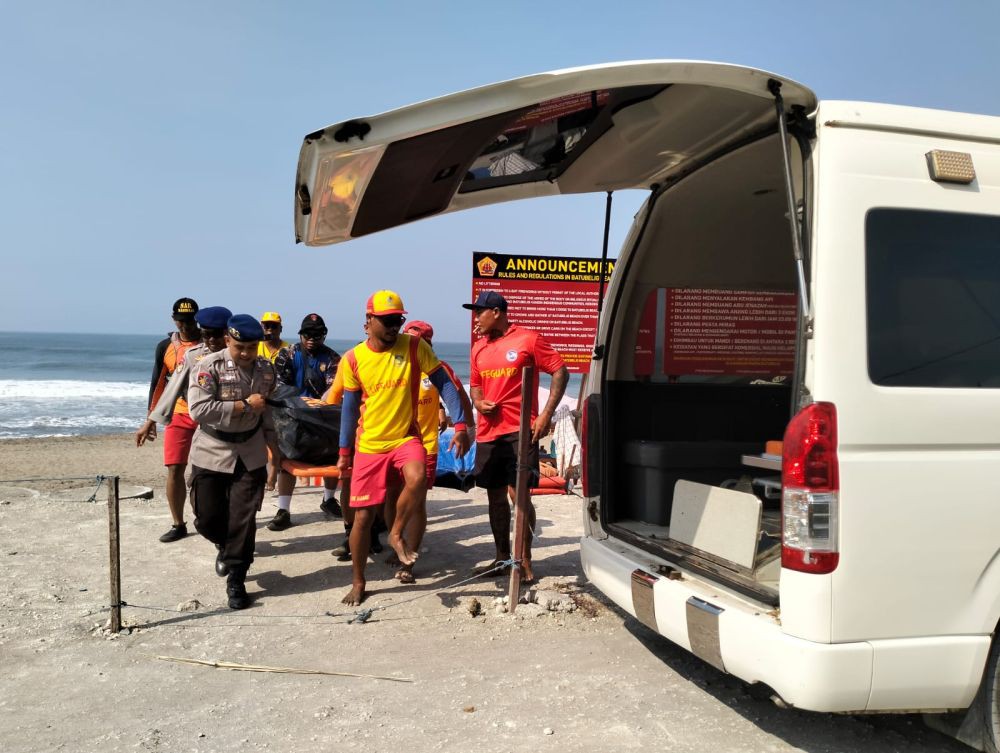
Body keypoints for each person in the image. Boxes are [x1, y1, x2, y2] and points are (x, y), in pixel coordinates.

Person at [336, 290, 470, 605]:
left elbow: (446, 384)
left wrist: (461, 425)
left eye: (398, 319)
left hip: (404, 438)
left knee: (418, 477)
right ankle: (358, 581)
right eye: (386, 320)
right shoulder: (354, 358)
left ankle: (396, 533)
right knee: (363, 519)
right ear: (368, 321)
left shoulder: (413, 347)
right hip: (369, 445)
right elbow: (349, 409)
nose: (393, 325)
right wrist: (344, 452)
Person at [463, 290, 569, 583]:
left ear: (496, 312)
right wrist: (479, 401)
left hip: (520, 430)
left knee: (518, 494)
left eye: (479, 312)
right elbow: (475, 386)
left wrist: (546, 415)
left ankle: (524, 560)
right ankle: (501, 558)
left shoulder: (528, 339)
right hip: (488, 433)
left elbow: (560, 372)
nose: (476, 319)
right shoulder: (477, 349)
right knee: (494, 496)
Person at [186, 314, 277, 610]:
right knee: (207, 518)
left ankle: (236, 577)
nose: (247, 353)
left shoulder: (266, 371)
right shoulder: (207, 367)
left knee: (244, 517)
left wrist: (275, 453)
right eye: (241, 347)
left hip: (250, 451)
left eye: (252, 347)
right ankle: (225, 545)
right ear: (228, 340)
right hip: (212, 449)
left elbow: (268, 414)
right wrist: (242, 405)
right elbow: (199, 410)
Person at [387, 319, 473, 583]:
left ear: (426, 342)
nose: (410, 342)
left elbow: (460, 397)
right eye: (407, 336)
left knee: (416, 502)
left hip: (425, 445)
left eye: (416, 338)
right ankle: (396, 541)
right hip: (391, 442)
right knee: (390, 497)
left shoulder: (437, 368)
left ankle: (409, 562)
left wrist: (466, 430)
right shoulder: (393, 364)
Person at [268, 313, 342, 530]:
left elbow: (334, 388)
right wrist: (301, 404)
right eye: (307, 334)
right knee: (287, 462)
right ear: (301, 334)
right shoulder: (287, 354)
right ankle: (283, 510)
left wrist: (319, 404)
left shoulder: (333, 358)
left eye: (317, 334)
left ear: (324, 335)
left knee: (331, 456)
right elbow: (280, 386)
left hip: (322, 416)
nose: (312, 338)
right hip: (292, 416)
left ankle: (329, 499)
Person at [138, 297, 201, 543]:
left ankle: (208, 517)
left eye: (190, 320)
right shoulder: (165, 346)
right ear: (174, 319)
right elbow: (157, 384)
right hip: (177, 413)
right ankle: (178, 523)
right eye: (181, 321)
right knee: (175, 468)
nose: (185, 326)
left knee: (204, 471)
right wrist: (150, 419)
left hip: (206, 415)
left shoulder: (210, 343)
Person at [136, 306, 232, 430]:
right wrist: (151, 420)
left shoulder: (241, 355)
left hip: (229, 419)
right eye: (206, 335)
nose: (212, 339)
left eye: (217, 334)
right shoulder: (192, 355)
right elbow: (169, 386)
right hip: (188, 414)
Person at [258, 311, 290, 490]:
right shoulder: (256, 346)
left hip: (280, 400)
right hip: (261, 398)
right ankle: (266, 475)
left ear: (280, 328)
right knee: (261, 440)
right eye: (266, 325)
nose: (269, 329)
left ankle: (273, 476)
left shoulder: (288, 348)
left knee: (277, 441)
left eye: (273, 326)